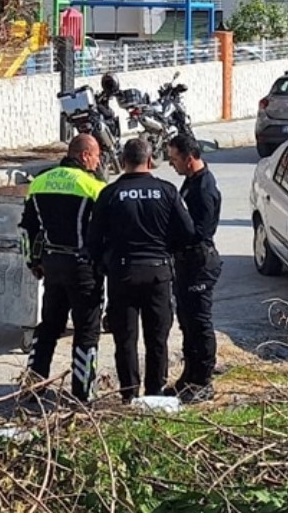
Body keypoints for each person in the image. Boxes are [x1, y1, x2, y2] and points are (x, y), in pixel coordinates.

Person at [88, 138, 196, 402]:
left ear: (123, 162)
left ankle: (129, 395)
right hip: (158, 273)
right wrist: (166, 248)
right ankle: (155, 394)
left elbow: (93, 240)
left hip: (122, 274)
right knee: (157, 339)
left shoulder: (110, 194)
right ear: (150, 161)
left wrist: (106, 262)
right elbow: (188, 233)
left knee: (125, 340)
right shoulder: (168, 191)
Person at [20, 134, 108, 403]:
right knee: (86, 330)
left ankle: (33, 386)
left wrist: (33, 262)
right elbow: (104, 232)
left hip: (52, 265)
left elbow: (28, 229)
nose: (98, 161)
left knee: (49, 327)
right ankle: (83, 392)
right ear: (84, 156)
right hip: (82, 267)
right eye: (96, 156)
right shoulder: (93, 187)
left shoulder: (39, 182)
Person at [165, 133, 221, 402]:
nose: (171, 163)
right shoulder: (190, 181)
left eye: (174, 158)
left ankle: (204, 379)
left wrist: (175, 235)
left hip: (199, 262)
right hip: (184, 262)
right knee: (186, 321)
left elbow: (201, 231)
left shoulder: (204, 188)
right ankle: (190, 374)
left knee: (199, 322)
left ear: (189, 159)